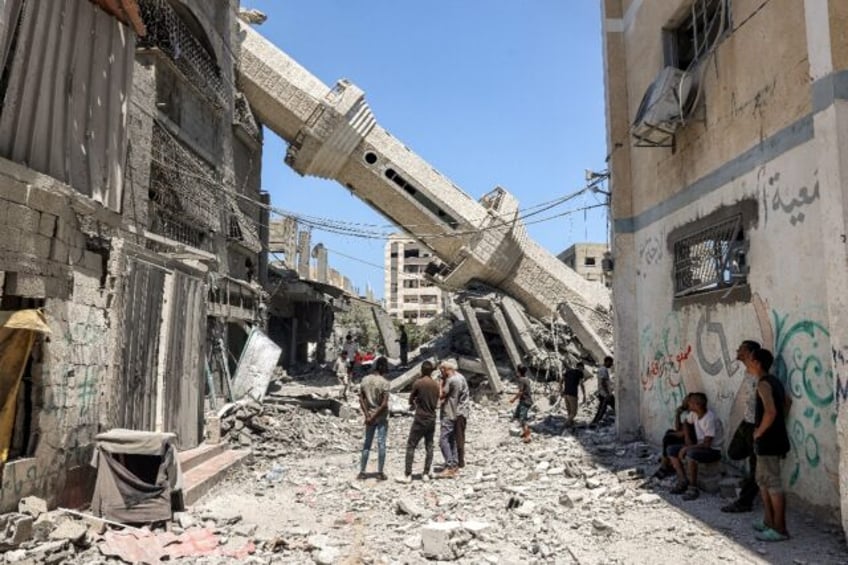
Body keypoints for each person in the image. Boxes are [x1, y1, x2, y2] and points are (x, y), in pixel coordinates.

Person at [750, 348, 791, 542]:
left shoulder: (763, 384)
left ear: (757, 363)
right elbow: (787, 403)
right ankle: (768, 521)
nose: (748, 364)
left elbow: (771, 412)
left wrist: (759, 431)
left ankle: (780, 529)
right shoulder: (774, 382)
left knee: (773, 483)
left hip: (768, 441)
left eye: (750, 360)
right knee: (763, 481)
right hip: (772, 439)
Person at [722, 340, 762, 513]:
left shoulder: (760, 375)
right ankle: (751, 480)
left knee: (756, 467)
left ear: (750, 353)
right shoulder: (748, 371)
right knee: (734, 452)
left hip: (756, 424)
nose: (737, 350)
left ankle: (745, 500)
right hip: (747, 421)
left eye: (741, 348)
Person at [668, 392, 724, 501]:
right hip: (700, 446)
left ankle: (693, 487)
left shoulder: (710, 418)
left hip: (713, 450)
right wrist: (687, 438)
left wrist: (687, 448)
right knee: (671, 450)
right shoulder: (694, 414)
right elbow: (685, 422)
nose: (688, 404)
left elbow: (707, 444)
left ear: (697, 405)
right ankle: (683, 480)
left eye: (691, 402)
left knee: (691, 454)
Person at [399, 360, 440, 482]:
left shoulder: (418, 383)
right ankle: (426, 473)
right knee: (429, 445)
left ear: (422, 370)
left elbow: (411, 400)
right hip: (432, 418)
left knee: (411, 445)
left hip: (420, 417)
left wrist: (415, 403)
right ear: (432, 371)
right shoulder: (436, 385)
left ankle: (408, 474)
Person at [358, 357, 390, 480]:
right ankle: (380, 472)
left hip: (369, 417)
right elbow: (384, 404)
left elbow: (361, 399)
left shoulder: (365, 380)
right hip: (380, 417)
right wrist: (375, 415)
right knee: (381, 444)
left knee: (367, 444)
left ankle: (362, 472)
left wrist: (367, 415)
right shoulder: (384, 383)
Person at [653, 393, 695, 479]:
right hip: (686, 436)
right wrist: (678, 414)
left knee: (668, 437)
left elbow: (682, 433)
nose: (683, 402)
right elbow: (678, 428)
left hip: (692, 440)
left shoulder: (693, 414)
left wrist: (671, 435)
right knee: (669, 433)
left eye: (686, 400)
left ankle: (664, 466)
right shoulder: (688, 414)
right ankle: (667, 463)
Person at [437, 358, 466, 477]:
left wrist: (440, 383)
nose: (441, 373)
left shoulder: (451, 380)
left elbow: (441, 395)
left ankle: (450, 466)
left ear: (445, 369)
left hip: (449, 412)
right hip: (458, 412)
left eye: (441, 370)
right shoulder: (461, 377)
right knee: (452, 440)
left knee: (443, 440)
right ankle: (455, 464)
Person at [510, 365, 534, 443]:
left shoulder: (521, 380)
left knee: (523, 419)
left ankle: (528, 436)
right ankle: (525, 432)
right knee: (517, 416)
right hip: (525, 401)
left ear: (519, 372)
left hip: (525, 401)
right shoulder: (527, 379)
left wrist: (513, 399)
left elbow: (520, 392)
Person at [591, 356, 615, 424]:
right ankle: (594, 423)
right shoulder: (603, 369)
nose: (611, 364)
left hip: (605, 393)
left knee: (603, 409)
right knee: (602, 410)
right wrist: (607, 393)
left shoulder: (603, 369)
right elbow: (603, 382)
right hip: (604, 394)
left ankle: (594, 422)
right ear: (607, 362)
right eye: (611, 363)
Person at [562, 362, 587, 426]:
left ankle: (570, 424)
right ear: (580, 367)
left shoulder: (568, 371)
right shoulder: (580, 373)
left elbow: (561, 380)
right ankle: (564, 425)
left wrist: (561, 390)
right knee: (574, 413)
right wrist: (584, 395)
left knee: (569, 411)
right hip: (573, 394)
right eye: (582, 368)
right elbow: (581, 384)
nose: (582, 370)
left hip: (565, 394)